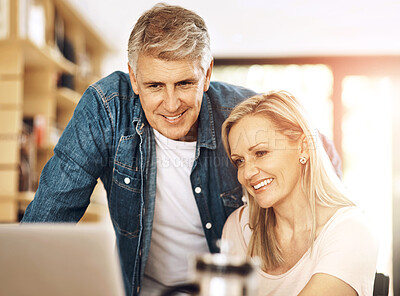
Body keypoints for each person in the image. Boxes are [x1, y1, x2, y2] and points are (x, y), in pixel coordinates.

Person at [22, 3, 339, 296]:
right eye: (155, 86)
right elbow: (46, 223)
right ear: (134, 78)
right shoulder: (107, 110)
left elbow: (320, 155)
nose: (171, 105)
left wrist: (335, 236)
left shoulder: (242, 113)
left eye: (185, 83)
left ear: (207, 75)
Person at [221, 91, 378, 295]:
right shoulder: (239, 227)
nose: (247, 173)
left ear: (304, 147)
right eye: (239, 161)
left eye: (261, 153)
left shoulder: (352, 230)